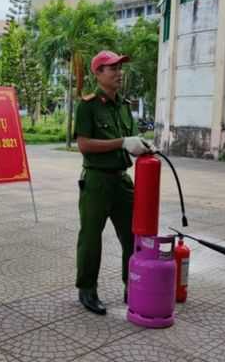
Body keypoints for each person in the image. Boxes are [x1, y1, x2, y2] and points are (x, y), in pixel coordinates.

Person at [74, 50, 153, 315]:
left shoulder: (124, 105)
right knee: (90, 238)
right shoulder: (88, 105)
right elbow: (84, 145)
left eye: (120, 68)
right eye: (112, 68)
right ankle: (87, 290)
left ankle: (133, 286)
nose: (119, 73)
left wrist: (139, 144)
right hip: (96, 180)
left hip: (122, 181)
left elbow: (128, 139)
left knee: (133, 236)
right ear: (98, 73)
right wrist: (121, 142)